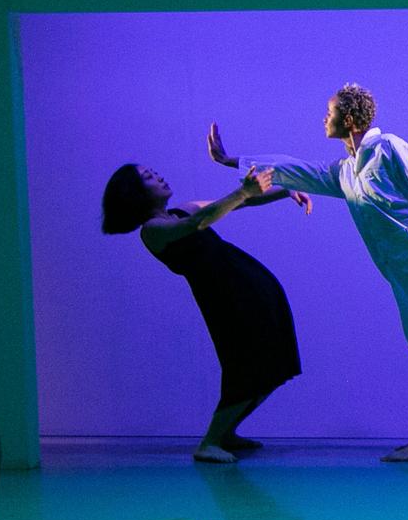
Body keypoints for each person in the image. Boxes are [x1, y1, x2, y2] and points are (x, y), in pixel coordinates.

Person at [209, 84, 408, 462]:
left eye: (330, 111)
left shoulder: (389, 149)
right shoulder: (347, 172)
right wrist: (233, 161)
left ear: (350, 120)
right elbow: (299, 170)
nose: (325, 118)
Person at [101, 162, 308, 464]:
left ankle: (227, 434)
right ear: (135, 193)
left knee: (275, 363)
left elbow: (243, 202)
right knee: (245, 366)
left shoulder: (182, 209)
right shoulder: (153, 231)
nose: (158, 174)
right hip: (226, 300)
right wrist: (242, 191)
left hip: (249, 290)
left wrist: (284, 191)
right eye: (148, 177)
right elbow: (198, 222)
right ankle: (209, 441)